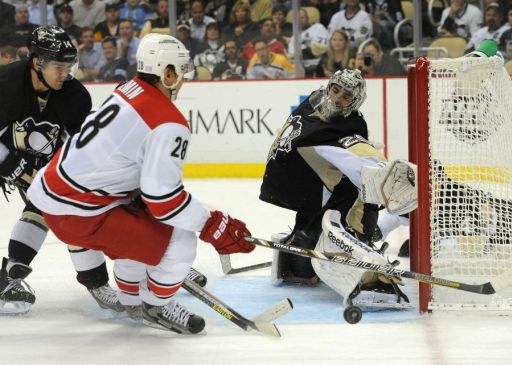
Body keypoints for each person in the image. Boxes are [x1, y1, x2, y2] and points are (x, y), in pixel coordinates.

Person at [27, 34, 255, 334]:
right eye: (181, 72)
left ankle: (131, 298)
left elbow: (127, 161)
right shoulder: (168, 121)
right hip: (81, 214)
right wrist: (212, 223)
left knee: (139, 225)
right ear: (167, 73)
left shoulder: (128, 88)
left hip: (54, 195)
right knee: (180, 240)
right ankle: (156, 306)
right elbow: (164, 201)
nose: (184, 79)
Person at [260, 68, 417, 308]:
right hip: (317, 197)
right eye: (336, 90)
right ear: (328, 87)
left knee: (347, 224)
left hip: (347, 205)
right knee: (301, 262)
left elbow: (377, 172)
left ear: (355, 102)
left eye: (346, 96)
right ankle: (380, 228)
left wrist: (403, 198)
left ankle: (376, 259)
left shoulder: (345, 130)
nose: (337, 98)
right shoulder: (314, 107)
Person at [0, 26, 123, 315]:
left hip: (42, 161)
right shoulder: (5, 83)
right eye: (58, 66)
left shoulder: (75, 97)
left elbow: (81, 147)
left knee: (63, 210)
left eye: (69, 66)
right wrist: (11, 165)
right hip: (6, 152)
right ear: (36, 63)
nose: (65, 73)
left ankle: (12, 274)